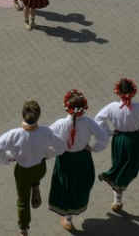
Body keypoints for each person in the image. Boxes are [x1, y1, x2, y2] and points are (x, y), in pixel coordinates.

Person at [0, 100, 65, 236]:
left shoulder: (14, 134)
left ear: (22, 115)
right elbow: (61, 146)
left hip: (23, 172)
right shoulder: (45, 131)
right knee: (35, 174)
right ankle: (35, 187)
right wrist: (47, 154)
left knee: (22, 201)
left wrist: (9, 158)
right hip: (40, 169)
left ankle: (23, 229)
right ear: (38, 116)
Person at [95, 77, 139, 213]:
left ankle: (117, 199)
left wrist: (109, 132)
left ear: (118, 93)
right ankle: (118, 196)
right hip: (137, 140)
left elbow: (98, 119)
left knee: (119, 166)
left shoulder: (112, 107)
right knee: (132, 167)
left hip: (120, 139)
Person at [48, 90, 109, 231]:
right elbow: (104, 138)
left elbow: (48, 140)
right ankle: (72, 214)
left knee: (66, 186)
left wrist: (55, 151)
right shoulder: (88, 122)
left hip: (65, 159)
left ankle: (68, 219)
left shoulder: (60, 124)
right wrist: (93, 148)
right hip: (83, 157)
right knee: (80, 184)